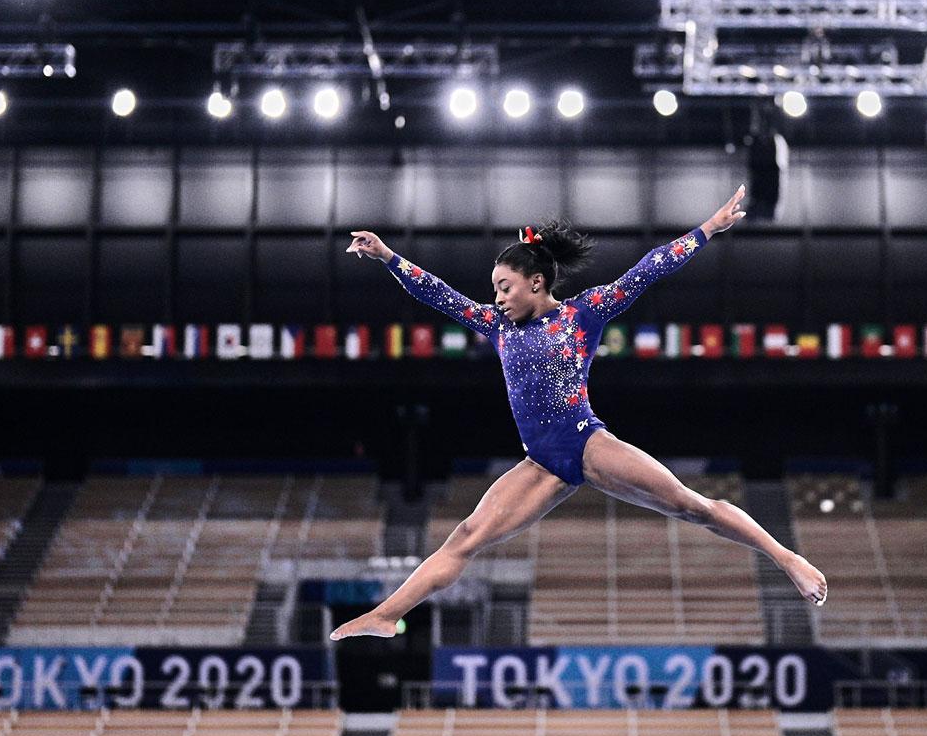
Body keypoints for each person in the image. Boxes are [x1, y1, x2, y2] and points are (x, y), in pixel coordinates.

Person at [331, 185, 828, 639]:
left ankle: (787, 559)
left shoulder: (582, 314)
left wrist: (707, 230)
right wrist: (388, 257)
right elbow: (436, 293)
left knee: (690, 506)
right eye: (494, 288)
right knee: (465, 536)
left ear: (537, 282)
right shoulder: (498, 326)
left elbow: (648, 270)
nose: (497, 298)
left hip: (586, 442)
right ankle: (385, 614)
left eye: (505, 287)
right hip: (540, 463)